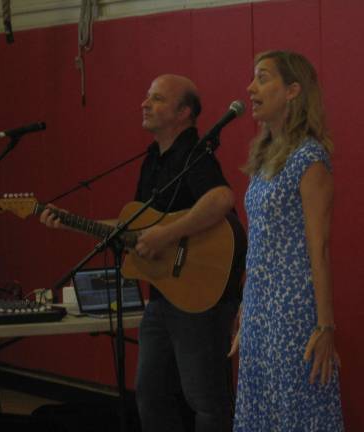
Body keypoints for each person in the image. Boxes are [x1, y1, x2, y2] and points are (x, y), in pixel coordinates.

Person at [40, 74, 247, 431]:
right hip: (162, 296)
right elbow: (135, 229)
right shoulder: (153, 160)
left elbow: (222, 199)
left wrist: (167, 234)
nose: (144, 104)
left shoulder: (194, 156)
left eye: (157, 98)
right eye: (147, 96)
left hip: (200, 297)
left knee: (207, 401)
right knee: (149, 395)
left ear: (184, 113)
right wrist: (71, 222)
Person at [229, 50, 344, 431]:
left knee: (296, 414)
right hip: (261, 308)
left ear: (293, 90)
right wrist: (247, 310)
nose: (251, 88)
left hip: (294, 313)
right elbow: (260, 245)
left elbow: (320, 249)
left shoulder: (309, 158)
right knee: (260, 412)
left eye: (262, 78)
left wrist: (325, 327)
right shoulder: (264, 158)